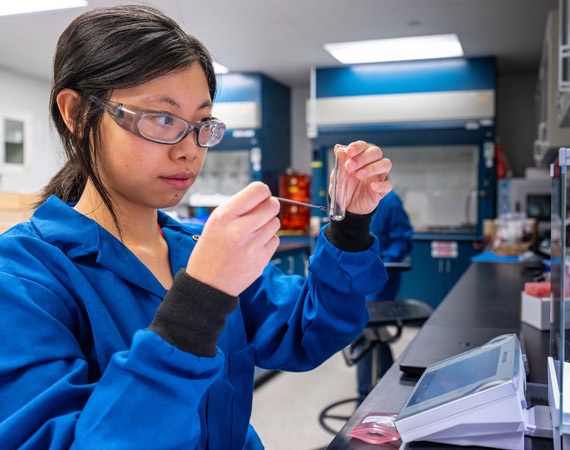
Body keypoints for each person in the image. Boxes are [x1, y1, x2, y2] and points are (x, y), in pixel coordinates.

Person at [0, 5, 392, 450]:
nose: (190, 150)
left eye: (202, 124)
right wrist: (199, 302)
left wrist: (350, 226)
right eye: (163, 118)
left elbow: (309, 331)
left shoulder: (195, 248)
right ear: (76, 114)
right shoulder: (21, 280)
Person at [356, 189, 414, 398]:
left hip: (381, 274)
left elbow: (403, 239)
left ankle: (363, 398)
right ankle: (392, 382)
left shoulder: (389, 201)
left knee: (365, 327)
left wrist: (383, 260)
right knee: (373, 332)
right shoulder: (351, 197)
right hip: (357, 272)